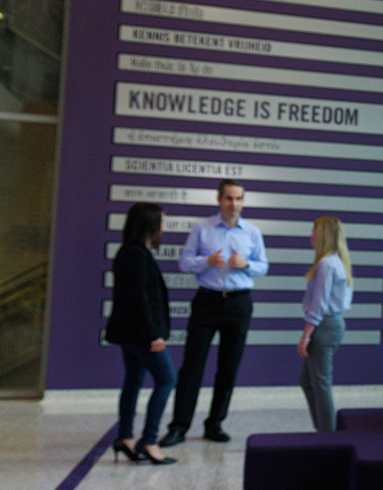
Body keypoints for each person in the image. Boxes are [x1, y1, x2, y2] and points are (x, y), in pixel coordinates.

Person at [160, 178, 270, 447]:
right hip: (207, 301)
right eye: (229, 199)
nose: (234, 204)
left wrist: (246, 264)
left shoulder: (252, 232)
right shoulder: (202, 227)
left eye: (239, 199)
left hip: (239, 303)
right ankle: (179, 426)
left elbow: (263, 266)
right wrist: (205, 261)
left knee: (229, 367)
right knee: (192, 366)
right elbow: (184, 262)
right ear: (219, 200)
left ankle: (215, 424)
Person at [105, 202, 178, 465]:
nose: (163, 228)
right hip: (140, 335)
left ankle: (125, 438)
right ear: (149, 224)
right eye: (161, 223)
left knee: (134, 381)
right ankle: (148, 441)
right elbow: (138, 300)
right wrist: (152, 335)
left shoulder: (130, 252)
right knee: (167, 379)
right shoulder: (135, 254)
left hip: (129, 334)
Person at [298, 216, 353, 432]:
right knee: (308, 381)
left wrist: (305, 336)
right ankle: (323, 431)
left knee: (320, 385)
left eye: (314, 231)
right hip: (330, 325)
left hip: (325, 327)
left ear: (324, 235)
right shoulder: (336, 261)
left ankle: (328, 437)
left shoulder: (327, 264)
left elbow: (318, 305)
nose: (311, 235)